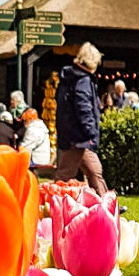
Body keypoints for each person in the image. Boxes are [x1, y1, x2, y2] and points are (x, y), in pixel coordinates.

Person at [55, 41, 107, 194]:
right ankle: (51, 205)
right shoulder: (83, 80)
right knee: (65, 176)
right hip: (79, 137)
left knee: (94, 172)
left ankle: (104, 204)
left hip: (73, 135)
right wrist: (91, 131)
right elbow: (84, 107)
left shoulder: (69, 78)